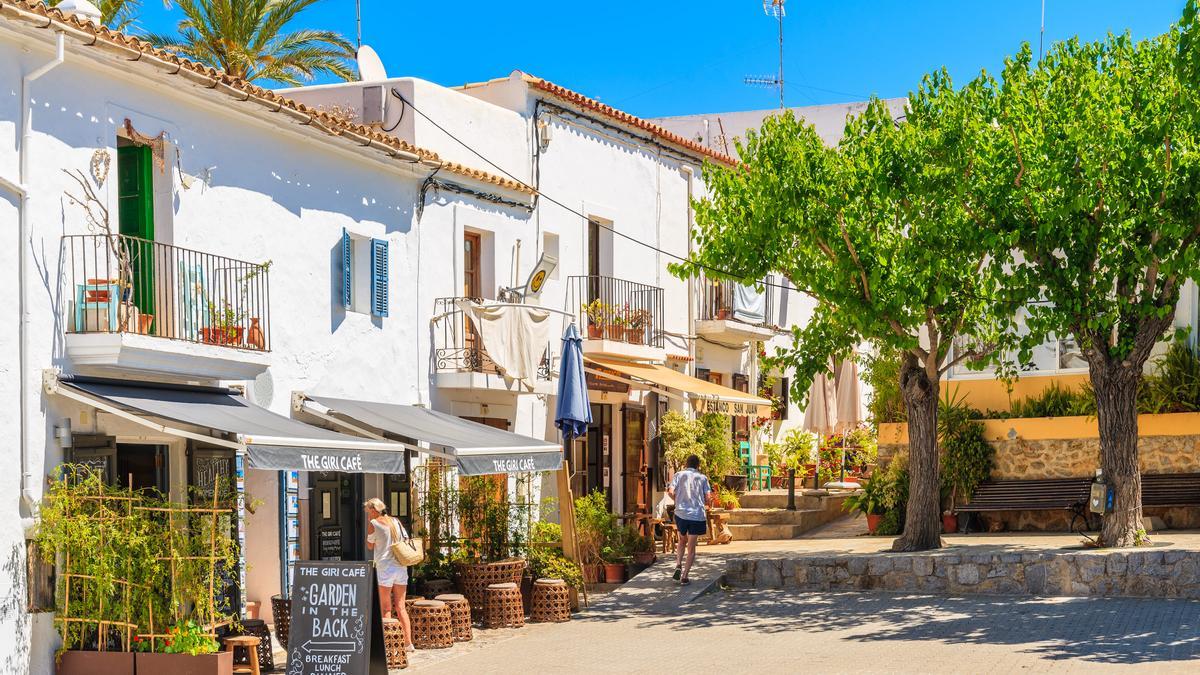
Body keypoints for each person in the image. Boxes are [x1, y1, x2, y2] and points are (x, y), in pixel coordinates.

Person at [364, 497, 414, 652]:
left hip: (385, 568)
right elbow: (406, 539)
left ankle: (389, 644)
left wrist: (370, 525)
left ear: (373, 510)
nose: (367, 514)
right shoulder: (396, 521)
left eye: (368, 511)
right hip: (400, 567)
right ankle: (408, 643)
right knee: (401, 607)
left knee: (386, 607)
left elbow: (370, 546)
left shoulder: (373, 524)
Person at [667, 454, 711, 585]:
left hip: (681, 514)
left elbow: (670, 491)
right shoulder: (702, 478)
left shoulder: (678, 475)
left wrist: (678, 501)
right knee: (691, 547)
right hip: (696, 515)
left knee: (681, 540)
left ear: (686, 464)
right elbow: (708, 497)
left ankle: (678, 563)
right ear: (698, 465)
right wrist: (707, 503)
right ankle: (685, 576)